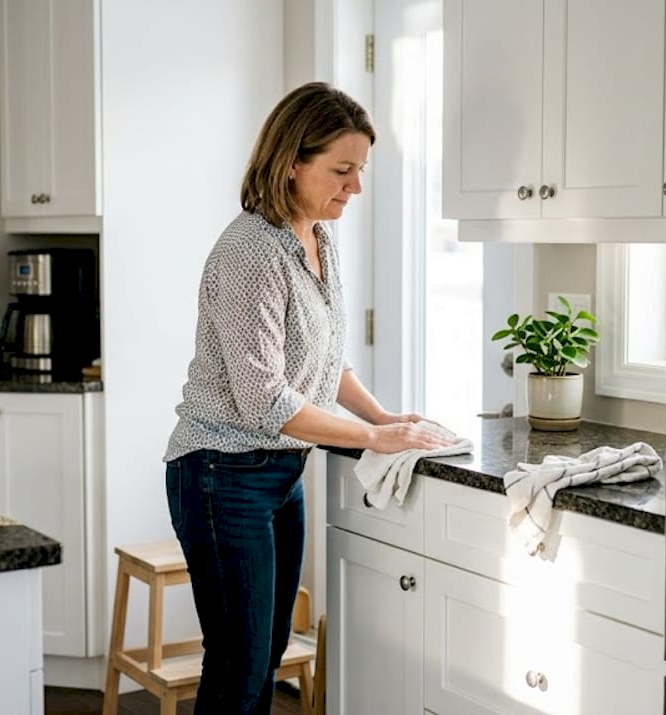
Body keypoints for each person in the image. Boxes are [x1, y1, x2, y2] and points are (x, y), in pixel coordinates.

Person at [162, 82, 455, 714]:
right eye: (341, 171)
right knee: (239, 666)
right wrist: (376, 440)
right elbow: (265, 401)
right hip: (220, 474)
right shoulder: (249, 250)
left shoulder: (319, 237)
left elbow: (323, 361)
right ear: (293, 160)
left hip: (280, 473)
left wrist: (384, 416)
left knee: (263, 656)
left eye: (360, 171)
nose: (355, 188)